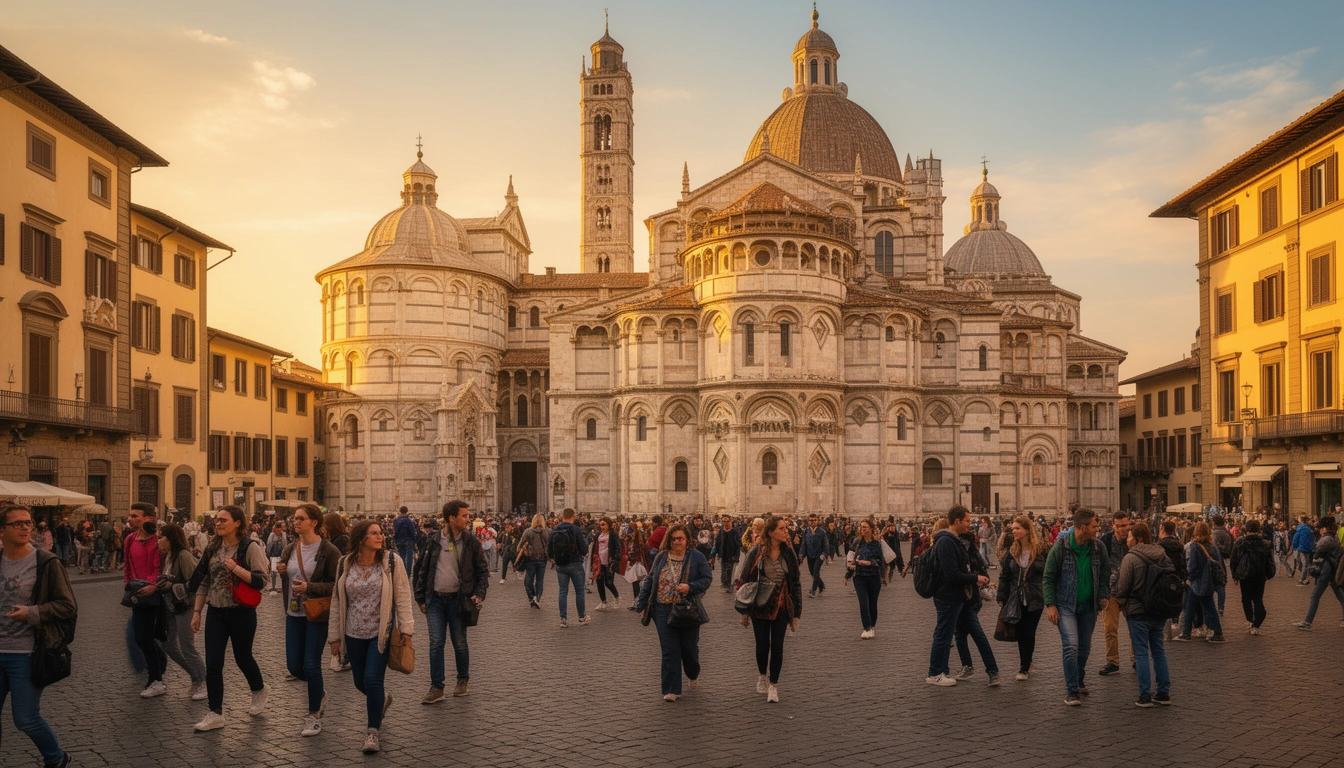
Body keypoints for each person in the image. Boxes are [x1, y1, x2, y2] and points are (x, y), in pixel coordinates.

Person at [327, 520, 412, 754]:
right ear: (361, 538)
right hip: (353, 632)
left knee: (373, 680)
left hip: (380, 631)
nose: (380, 536)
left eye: (381, 533)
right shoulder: (344, 563)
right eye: (374, 533)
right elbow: (336, 599)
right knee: (359, 682)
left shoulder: (391, 562)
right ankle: (381, 700)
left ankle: (372, 732)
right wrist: (334, 637)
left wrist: (407, 629)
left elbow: (403, 595)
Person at [0, 505, 74, 768]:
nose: (24, 528)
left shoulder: (46, 562)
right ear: (2, 530)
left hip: (26, 653)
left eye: (28, 523)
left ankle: (56, 758)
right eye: (17, 523)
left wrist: (31, 613)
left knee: (25, 719)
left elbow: (67, 606)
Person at [187, 505, 270, 732]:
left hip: (241, 611)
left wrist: (235, 569)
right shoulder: (212, 547)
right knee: (213, 663)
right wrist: (197, 612)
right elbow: (205, 581)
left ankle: (259, 689)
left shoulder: (249, 547)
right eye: (217, 520)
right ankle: (215, 713)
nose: (218, 523)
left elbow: (263, 580)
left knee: (243, 657)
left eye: (224, 520)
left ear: (237, 523)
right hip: (216, 611)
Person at [412, 500, 487, 703]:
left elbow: (482, 571)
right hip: (435, 600)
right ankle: (437, 687)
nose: (468, 518)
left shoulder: (471, 542)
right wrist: (420, 598)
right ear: (452, 518)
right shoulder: (433, 540)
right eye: (464, 515)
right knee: (436, 643)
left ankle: (462, 680)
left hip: (458, 600)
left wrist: (479, 593)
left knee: (460, 643)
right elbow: (420, 569)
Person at [277, 504, 340, 737]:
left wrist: (310, 587)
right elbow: (288, 575)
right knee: (294, 665)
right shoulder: (290, 548)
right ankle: (319, 691)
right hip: (293, 613)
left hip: (317, 613)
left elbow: (337, 585)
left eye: (301, 518)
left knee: (311, 663)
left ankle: (313, 715)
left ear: (314, 522)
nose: (296, 522)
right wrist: (282, 570)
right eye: (294, 518)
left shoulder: (329, 550)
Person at [634, 524, 711, 702]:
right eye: (674, 539)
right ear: (668, 540)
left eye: (680, 538)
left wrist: (690, 587)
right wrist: (642, 604)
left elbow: (707, 578)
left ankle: (693, 673)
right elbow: (650, 579)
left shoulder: (696, 557)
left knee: (689, 649)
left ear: (687, 540)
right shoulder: (661, 557)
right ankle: (671, 689)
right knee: (669, 650)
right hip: (662, 607)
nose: (677, 542)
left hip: (687, 608)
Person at [1043, 507, 1111, 705]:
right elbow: (1048, 577)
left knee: (1084, 649)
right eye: (1094, 526)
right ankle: (1072, 689)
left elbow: (1105, 574)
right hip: (1066, 605)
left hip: (1089, 606)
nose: (1098, 529)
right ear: (1082, 528)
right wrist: (1050, 605)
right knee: (1071, 646)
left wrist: (1104, 595)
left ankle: (1079, 678)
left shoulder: (1098, 547)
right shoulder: (1061, 547)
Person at [737, 516, 802, 703]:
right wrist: (744, 611)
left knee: (778, 646)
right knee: (762, 645)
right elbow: (745, 580)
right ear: (771, 532)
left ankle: (773, 685)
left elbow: (795, 583)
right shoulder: (756, 552)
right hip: (760, 605)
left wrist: (796, 613)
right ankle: (761, 675)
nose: (786, 531)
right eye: (782, 528)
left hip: (781, 606)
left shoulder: (788, 553)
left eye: (786, 528)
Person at [926, 507, 992, 688]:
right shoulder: (946, 542)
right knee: (943, 634)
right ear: (956, 521)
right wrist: (975, 578)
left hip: (955, 596)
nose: (970, 525)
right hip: (948, 595)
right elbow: (952, 574)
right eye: (967, 521)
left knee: (946, 634)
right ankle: (935, 673)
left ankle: (942, 671)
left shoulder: (952, 540)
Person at [1115, 521, 1172, 707]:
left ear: (1138, 538)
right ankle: (1163, 692)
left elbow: (1122, 587)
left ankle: (1145, 695)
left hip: (1138, 611)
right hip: (1159, 609)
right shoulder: (1162, 554)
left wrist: (1122, 605)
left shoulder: (1131, 558)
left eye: (1129, 536)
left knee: (1140, 653)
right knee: (1158, 651)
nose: (1127, 539)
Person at [155, 523, 207, 700]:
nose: (158, 541)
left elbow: (197, 582)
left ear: (171, 539)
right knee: (167, 644)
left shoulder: (184, 556)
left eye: (161, 537)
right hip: (170, 606)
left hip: (185, 606)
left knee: (187, 647)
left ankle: (204, 682)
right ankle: (195, 674)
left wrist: (173, 585)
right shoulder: (167, 556)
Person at [124, 503, 168, 700]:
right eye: (130, 515)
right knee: (142, 636)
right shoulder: (129, 539)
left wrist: (151, 586)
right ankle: (158, 662)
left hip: (152, 594)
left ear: (148, 519)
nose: (130, 519)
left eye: (135, 516)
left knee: (143, 637)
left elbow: (157, 568)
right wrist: (128, 585)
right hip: (136, 592)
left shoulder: (156, 541)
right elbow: (127, 565)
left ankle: (156, 680)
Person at [996, 515, 1047, 681]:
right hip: (1016, 596)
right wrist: (1002, 596)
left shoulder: (1040, 550)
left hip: (1035, 596)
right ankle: (1025, 662)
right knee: (1020, 630)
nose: (1014, 531)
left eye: (1017, 528)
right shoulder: (1012, 551)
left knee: (1029, 631)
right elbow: (1004, 575)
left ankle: (1024, 667)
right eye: (1013, 528)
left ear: (1026, 530)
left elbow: (1049, 573)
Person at [1176, 522, 1225, 642]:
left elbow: (1192, 566)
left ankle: (1217, 633)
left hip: (1197, 581)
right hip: (1209, 581)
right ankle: (1186, 631)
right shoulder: (1213, 547)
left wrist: (1189, 576)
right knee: (1191, 604)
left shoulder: (1194, 546)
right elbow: (1219, 563)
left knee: (1204, 606)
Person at [1097, 511, 1132, 677]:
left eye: (1124, 525)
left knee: (1135, 628)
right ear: (1113, 525)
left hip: (1131, 591)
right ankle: (1112, 662)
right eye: (1118, 526)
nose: (1122, 530)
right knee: (1110, 629)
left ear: (1129, 524)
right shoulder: (1104, 541)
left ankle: (1136, 660)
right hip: (1110, 591)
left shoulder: (1133, 539)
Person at [1296, 516, 1344, 630]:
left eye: (1320, 528)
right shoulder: (1334, 538)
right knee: (1340, 596)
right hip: (1332, 570)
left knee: (1315, 596)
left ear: (1325, 528)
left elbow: (1316, 551)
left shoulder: (1325, 540)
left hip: (1324, 571)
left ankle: (1308, 621)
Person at [1228, 519, 1273, 635]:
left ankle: (1250, 620)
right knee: (1258, 599)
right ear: (1258, 529)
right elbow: (1270, 561)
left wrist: (1234, 574)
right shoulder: (1265, 543)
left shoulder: (1240, 542)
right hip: (1260, 575)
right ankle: (1256, 624)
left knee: (1246, 599)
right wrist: (1269, 574)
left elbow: (1234, 559)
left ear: (1246, 529)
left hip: (1245, 575)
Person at [549, 508, 590, 627]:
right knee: (579, 591)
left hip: (561, 565)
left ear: (562, 516)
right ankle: (581, 618)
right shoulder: (576, 530)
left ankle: (563, 619)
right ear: (573, 516)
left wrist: (553, 559)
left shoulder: (555, 529)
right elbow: (583, 549)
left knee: (562, 591)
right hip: (575, 563)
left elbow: (549, 548)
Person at [845, 519, 886, 639]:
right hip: (859, 577)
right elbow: (850, 557)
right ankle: (866, 627)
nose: (863, 529)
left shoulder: (876, 543)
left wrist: (869, 562)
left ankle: (872, 626)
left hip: (873, 577)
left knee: (872, 604)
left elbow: (880, 561)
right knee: (863, 603)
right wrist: (847, 574)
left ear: (871, 529)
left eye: (865, 527)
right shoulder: (857, 542)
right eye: (861, 527)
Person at [517, 514, 548, 609]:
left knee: (528, 580)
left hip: (530, 559)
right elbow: (549, 545)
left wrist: (523, 550)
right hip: (542, 560)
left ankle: (531, 597)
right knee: (540, 581)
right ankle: (537, 598)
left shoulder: (528, 532)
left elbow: (520, 545)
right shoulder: (545, 532)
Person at [592, 517, 623, 610]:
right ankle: (603, 602)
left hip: (609, 562)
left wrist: (615, 559)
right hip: (599, 562)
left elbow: (618, 548)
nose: (602, 527)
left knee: (608, 583)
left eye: (603, 525)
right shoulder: (598, 535)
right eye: (600, 525)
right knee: (599, 582)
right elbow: (595, 547)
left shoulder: (613, 535)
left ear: (608, 525)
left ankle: (617, 598)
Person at [712, 515, 741, 592]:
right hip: (723, 554)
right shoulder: (721, 531)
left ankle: (729, 585)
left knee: (730, 570)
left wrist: (736, 556)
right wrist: (715, 553)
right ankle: (724, 584)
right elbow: (718, 543)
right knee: (724, 569)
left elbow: (738, 545)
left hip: (732, 554)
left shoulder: (735, 531)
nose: (725, 523)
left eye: (727, 521)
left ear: (730, 521)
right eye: (724, 522)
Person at [802, 514, 827, 597]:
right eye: (811, 520)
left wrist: (824, 554)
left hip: (819, 555)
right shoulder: (806, 531)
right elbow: (804, 544)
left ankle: (813, 591)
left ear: (817, 521)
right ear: (808, 521)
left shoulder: (822, 531)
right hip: (810, 555)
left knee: (816, 572)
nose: (812, 522)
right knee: (812, 573)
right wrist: (801, 554)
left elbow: (825, 544)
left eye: (814, 520)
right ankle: (821, 585)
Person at [392, 506, 417, 578]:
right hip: (408, 540)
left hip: (399, 540)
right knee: (409, 558)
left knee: (401, 557)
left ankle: (402, 573)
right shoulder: (409, 521)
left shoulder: (396, 520)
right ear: (407, 511)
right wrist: (414, 541)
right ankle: (407, 575)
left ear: (400, 511)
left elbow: (395, 531)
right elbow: (412, 532)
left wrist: (396, 539)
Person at [1291, 516, 1316, 585]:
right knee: (1305, 564)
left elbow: (1295, 539)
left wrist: (1294, 546)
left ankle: (1302, 579)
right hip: (1308, 548)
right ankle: (1304, 577)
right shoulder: (1309, 529)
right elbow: (1312, 539)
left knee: (1302, 564)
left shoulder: (1299, 529)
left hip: (1301, 547)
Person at [265, 523, 288, 593]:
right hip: (273, 556)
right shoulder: (272, 535)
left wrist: (284, 555)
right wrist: (269, 556)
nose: (278, 532)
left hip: (281, 556)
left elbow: (285, 545)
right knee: (274, 571)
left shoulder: (283, 534)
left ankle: (281, 586)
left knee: (282, 571)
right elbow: (269, 545)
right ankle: (273, 586)